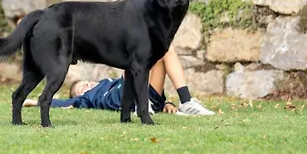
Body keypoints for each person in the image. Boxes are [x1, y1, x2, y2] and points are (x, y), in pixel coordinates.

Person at [23, 43, 215, 116]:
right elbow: (64, 103)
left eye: (86, 82)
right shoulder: (88, 99)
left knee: (166, 47)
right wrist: (34, 101)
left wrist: (168, 102)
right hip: (125, 97)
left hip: (147, 93)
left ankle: (186, 100)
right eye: (82, 88)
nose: (87, 85)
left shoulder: (107, 82)